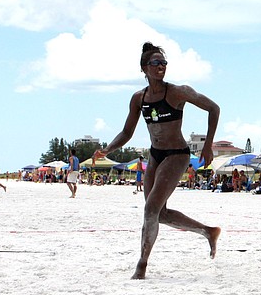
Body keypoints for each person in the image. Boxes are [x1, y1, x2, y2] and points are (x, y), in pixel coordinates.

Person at [94, 42, 221, 280]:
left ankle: (141, 266)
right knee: (157, 213)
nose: (161, 66)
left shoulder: (177, 92)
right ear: (144, 68)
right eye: (156, 63)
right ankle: (208, 232)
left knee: (150, 209)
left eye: (164, 63)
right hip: (155, 155)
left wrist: (208, 145)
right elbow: (127, 132)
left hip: (177, 155)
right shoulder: (138, 98)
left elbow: (213, 108)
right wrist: (107, 149)